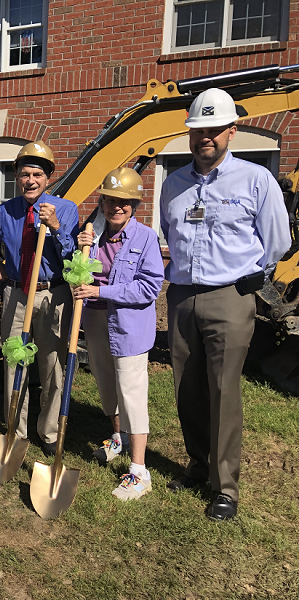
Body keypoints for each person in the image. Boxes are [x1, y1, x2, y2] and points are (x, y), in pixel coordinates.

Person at [160, 88, 291, 520]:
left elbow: (277, 244)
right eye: (199, 130)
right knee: (186, 387)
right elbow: (171, 238)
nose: (206, 138)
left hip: (230, 297)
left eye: (216, 130)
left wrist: (247, 277)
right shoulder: (174, 185)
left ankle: (226, 485)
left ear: (232, 130)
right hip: (180, 296)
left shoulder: (256, 180)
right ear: (190, 132)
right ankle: (198, 464)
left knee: (223, 389)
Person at [0, 141, 79, 455]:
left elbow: (74, 257)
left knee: (51, 364)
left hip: (52, 294)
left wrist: (57, 228)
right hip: (17, 293)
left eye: (36, 174)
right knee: (14, 361)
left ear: (48, 178)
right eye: (23, 174)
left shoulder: (65, 209)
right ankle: (15, 430)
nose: (29, 180)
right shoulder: (6, 211)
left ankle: (48, 433)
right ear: (17, 178)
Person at [72, 167, 164, 500]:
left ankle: (139, 471)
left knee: (131, 392)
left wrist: (101, 293)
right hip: (95, 323)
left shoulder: (146, 238)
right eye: (111, 200)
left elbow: (149, 288)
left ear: (135, 203)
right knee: (106, 384)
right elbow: (77, 276)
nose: (117, 207)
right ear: (103, 200)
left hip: (129, 327)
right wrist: (79, 252)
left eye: (124, 201)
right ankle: (118, 438)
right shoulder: (91, 234)